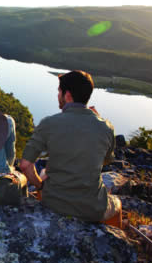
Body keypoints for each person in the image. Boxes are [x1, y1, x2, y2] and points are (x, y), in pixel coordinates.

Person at [19, 70, 121, 224]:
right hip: (91, 208)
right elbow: (105, 161)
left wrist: (40, 186)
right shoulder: (106, 127)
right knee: (117, 204)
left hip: (53, 203)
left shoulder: (49, 123)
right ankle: (114, 240)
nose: (57, 95)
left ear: (67, 95)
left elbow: (25, 165)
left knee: (45, 172)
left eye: (59, 91)